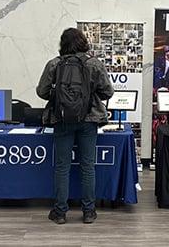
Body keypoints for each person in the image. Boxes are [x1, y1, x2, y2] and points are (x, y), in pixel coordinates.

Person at [37, 28, 114, 225]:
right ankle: (89, 212)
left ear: (63, 43)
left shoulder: (55, 64)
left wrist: (59, 96)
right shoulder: (94, 64)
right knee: (88, 166)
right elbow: (108, 92)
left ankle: (60, 212)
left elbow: (41, 92)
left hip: (62, 120)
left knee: (62, 167)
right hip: (89, 120)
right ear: (83, 42)